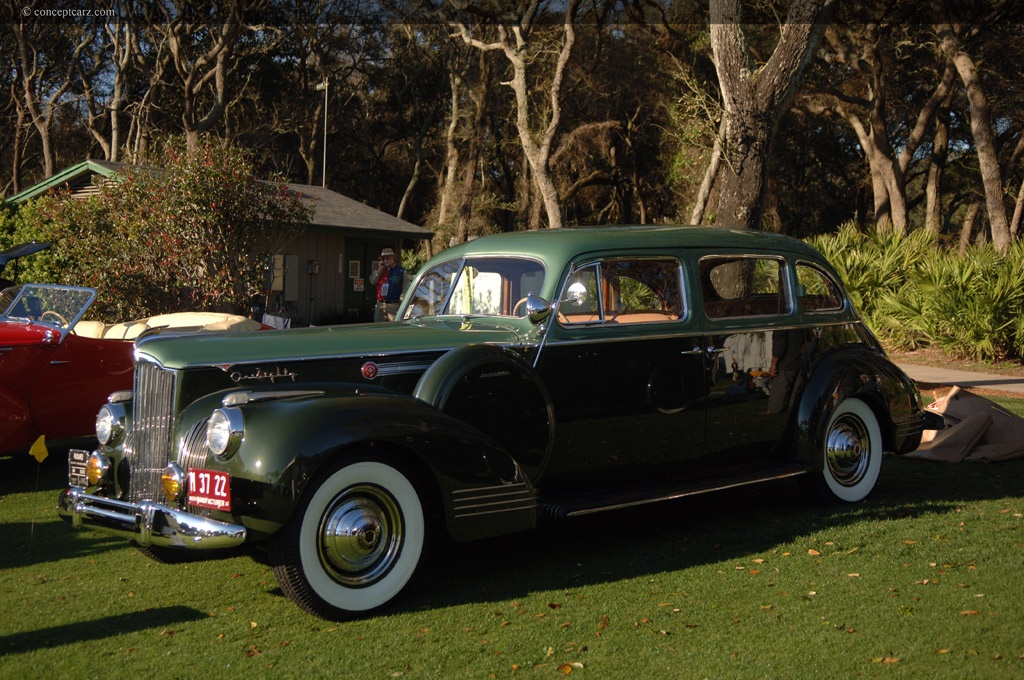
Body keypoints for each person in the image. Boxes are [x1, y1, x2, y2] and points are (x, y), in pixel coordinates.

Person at [371, 247, 404, 322]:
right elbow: (373, 281)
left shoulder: (400, 271)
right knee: (378, 327)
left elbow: (405, 287)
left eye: (387, 258)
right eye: (383, 258)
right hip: (380, 304)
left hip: (393, 305)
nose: (385, 260)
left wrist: (401, 301)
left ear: (393, 258)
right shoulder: (379, 270)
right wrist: (380, 269)